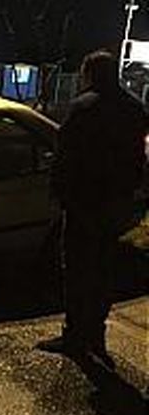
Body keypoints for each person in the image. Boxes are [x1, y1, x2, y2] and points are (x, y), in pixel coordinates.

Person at [37, 49, 147, 368]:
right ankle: (96, 334)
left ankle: (74, 336)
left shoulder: (82, 108)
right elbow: (137, 160)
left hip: (83, 203)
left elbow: (65, 157)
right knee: (103, 269)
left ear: (89, 74)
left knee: (76, 269)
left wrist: (59, 194)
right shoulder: (134, 109)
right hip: (115, 204)